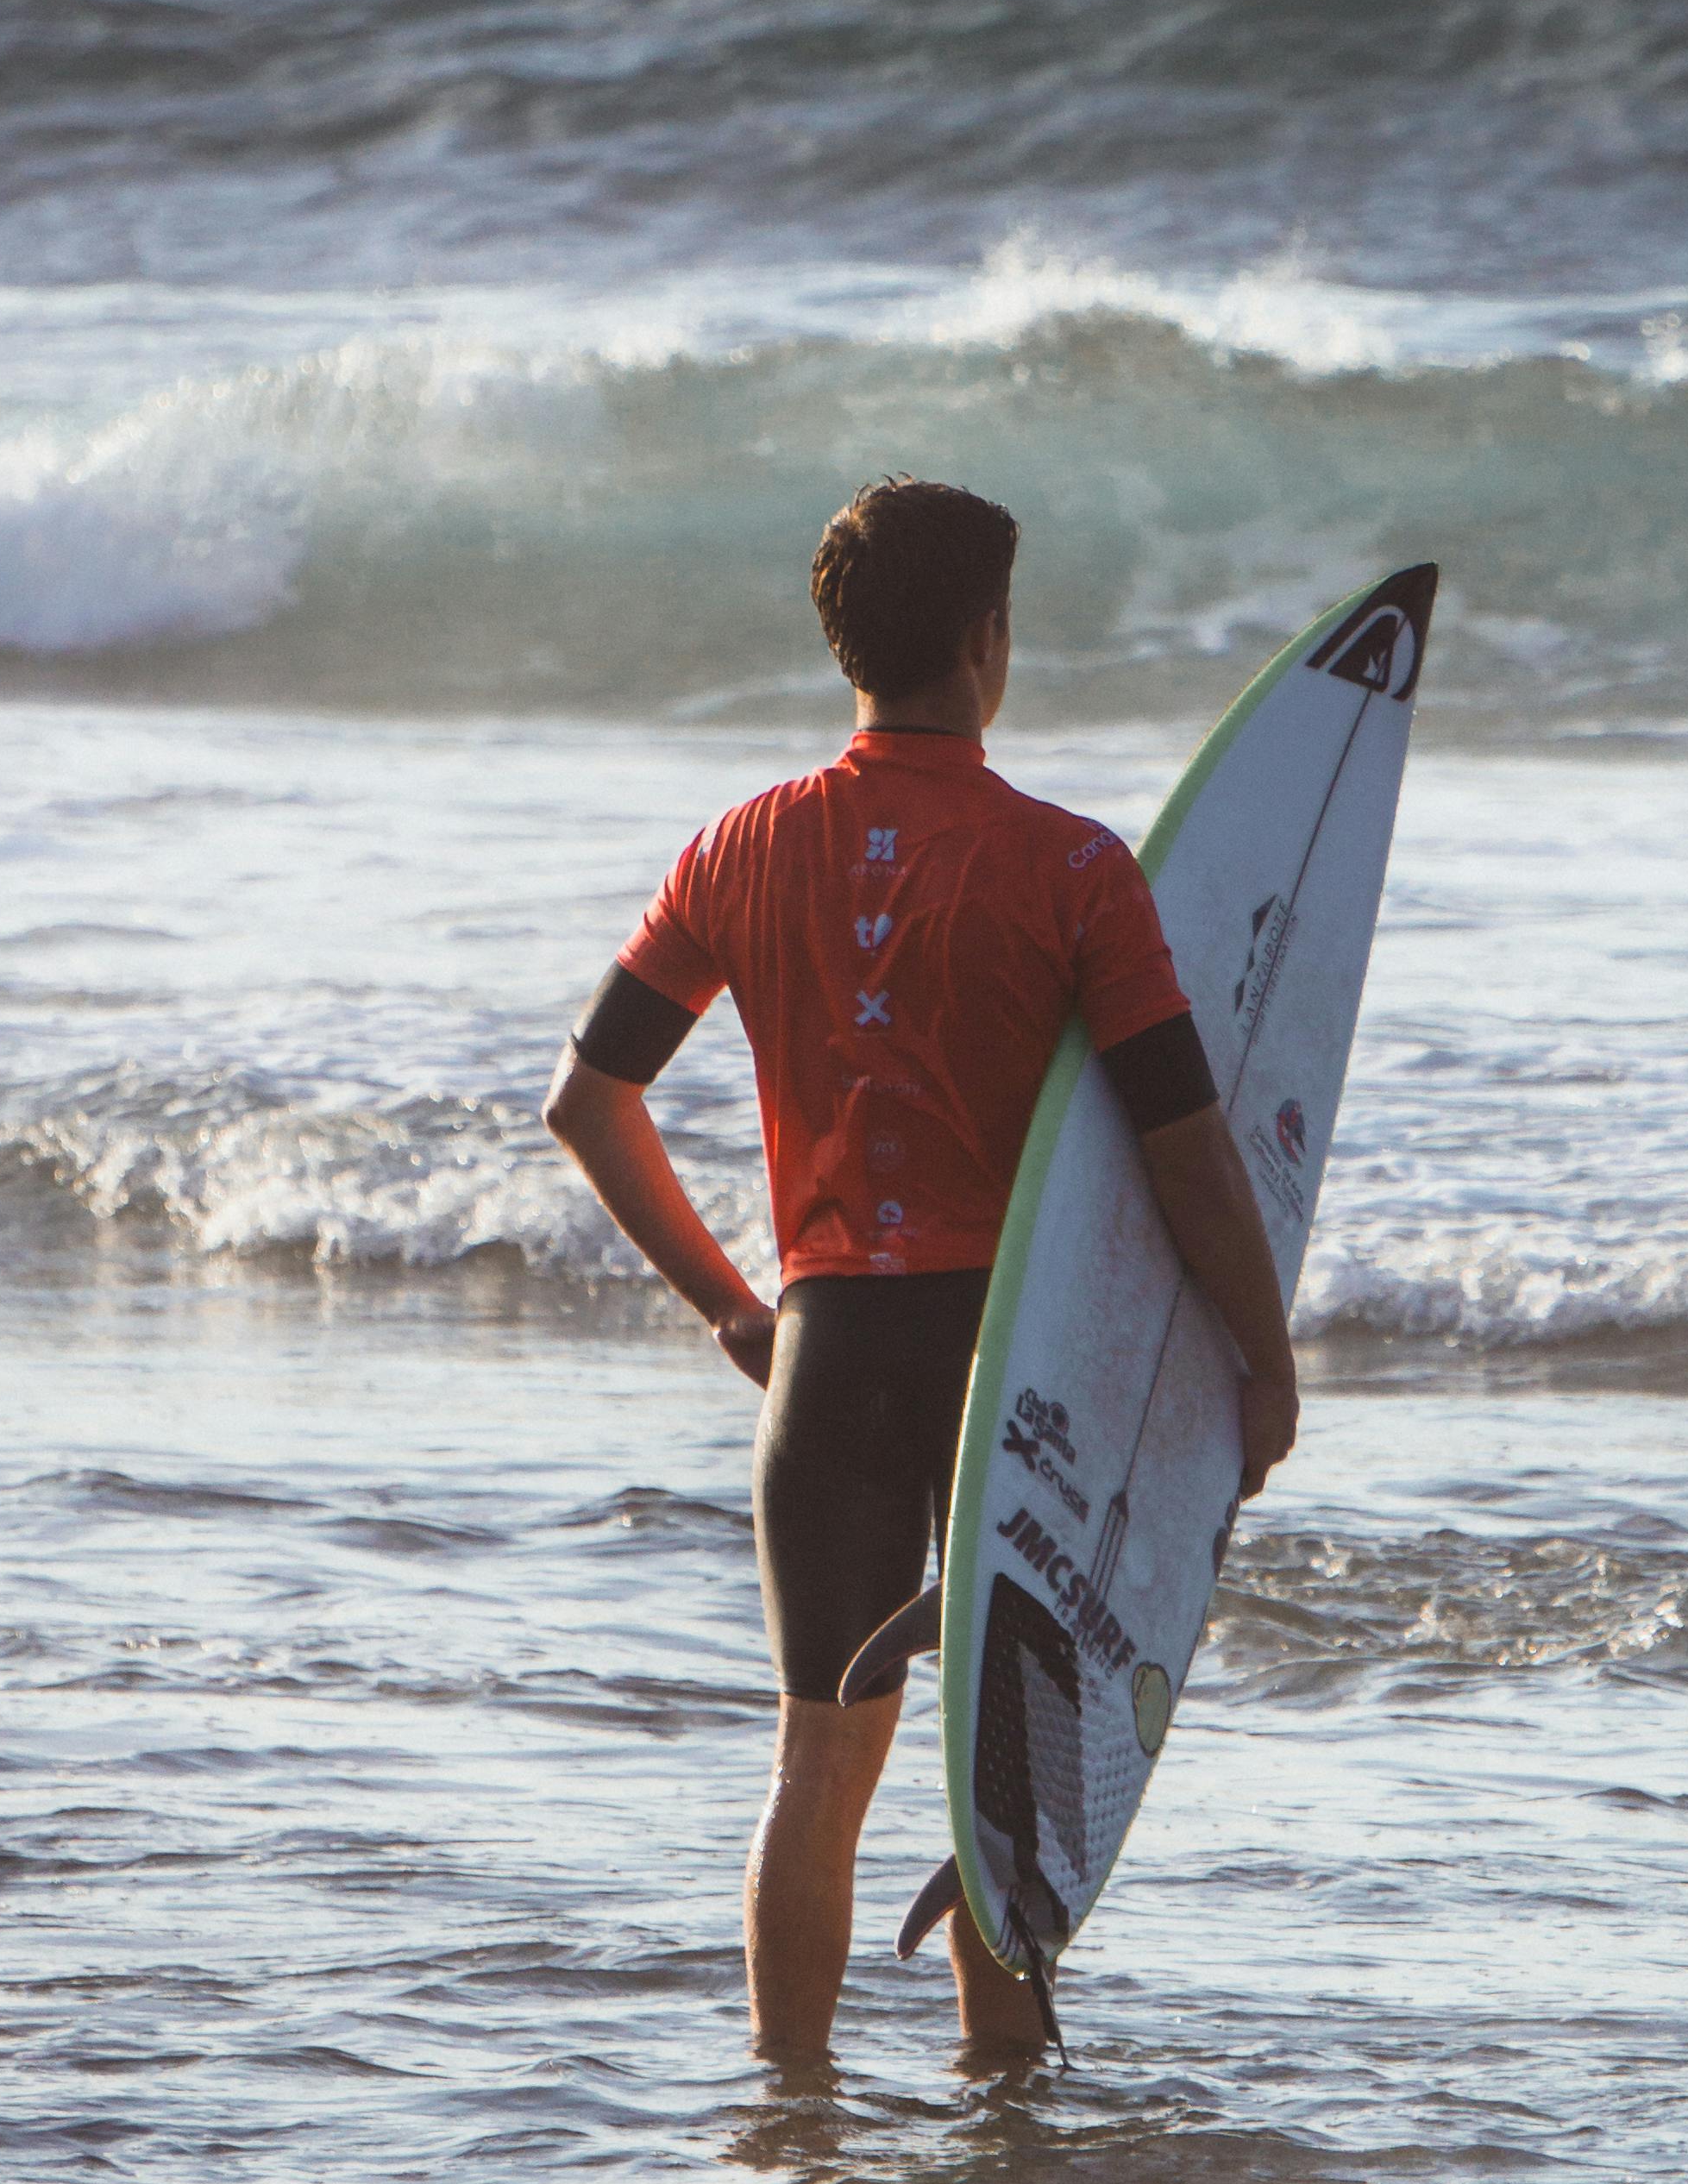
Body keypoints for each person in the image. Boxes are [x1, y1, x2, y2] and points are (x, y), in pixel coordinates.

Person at [545, 475, 1299, 2069]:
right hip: (1007, 1363)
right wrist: (1260, 1352)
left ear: (849, 651)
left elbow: (587, 1103)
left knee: (818, 1755)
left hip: (824, 1355)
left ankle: (790, 2118)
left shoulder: (737, 849)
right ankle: (1002, 2110)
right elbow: (1183, 1146)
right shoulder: (1076, 873)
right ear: (986, 639)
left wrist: (736, 1307)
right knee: (1005, 1764)